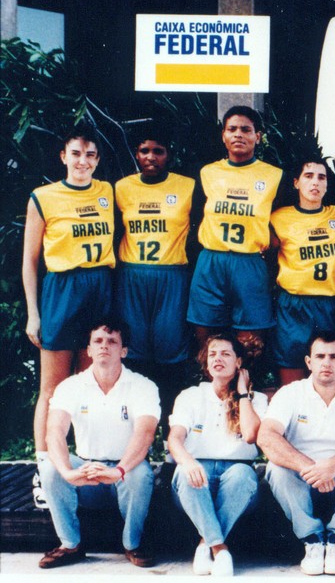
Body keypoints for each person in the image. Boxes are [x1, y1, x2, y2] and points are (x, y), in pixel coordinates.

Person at [23, 126, 115, 507]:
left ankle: (86, 462)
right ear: (63, 156)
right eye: (76, 153)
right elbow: (29, 261)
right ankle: (45, 469)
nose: (83, 161)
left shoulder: (108, 192)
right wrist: (33, 312)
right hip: (62, 289)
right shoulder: (43, 197)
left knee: (89, 385)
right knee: (53, 388)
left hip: (100, 287)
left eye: (90, 154)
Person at [257, 331, 335, 575]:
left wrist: (333, 466)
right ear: (308, 362)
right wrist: (309, 467)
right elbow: (267, 436)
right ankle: (311, 540)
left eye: (334, 357)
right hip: (302, 477)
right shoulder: (290, 393)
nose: (327, 363)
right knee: (276, 468)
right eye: (320, 356)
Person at [38, 317, 158, 569]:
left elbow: (145, 433)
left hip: (123, 473)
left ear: (123, 351)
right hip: (87, 474)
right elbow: (54, 432)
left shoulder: (143, 386)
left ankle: (132, 544)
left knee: (140, 473)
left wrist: (118, 470)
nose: (105, 346)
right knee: (50, 466)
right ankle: (70, 545)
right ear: (89, 350)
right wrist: (69, 472)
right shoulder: (70, 386)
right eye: (98, 341)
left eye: (112, 341)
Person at [187, 105, 284, 358]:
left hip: (249, 261)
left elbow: (283, 222)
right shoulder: (208, 172)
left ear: (258, 136)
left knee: (250, 342)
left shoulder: (273, 175)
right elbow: (194, 216)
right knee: (207, 339)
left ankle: (243, 392)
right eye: (232, 129)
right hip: (212, 259)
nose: (238, 134)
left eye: (246, 129)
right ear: (223, 135)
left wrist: (268, 244)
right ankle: (212, 392)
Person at [168, 333, 268, 576]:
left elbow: (251, 436)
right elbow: (175, 439)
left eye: (226, 354)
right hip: (195, 474)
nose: (218, 359)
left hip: (237, 476)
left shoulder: (258, 399)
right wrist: (188, 461)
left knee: (242, 476)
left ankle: (206, 544)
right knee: (186, 473)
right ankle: (220, 549)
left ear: (239, 362)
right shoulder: (190, 396)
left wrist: (243, 393)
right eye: (213, 354)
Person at [114, 126, 195, 416]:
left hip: (171, 275)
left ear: (168, 155)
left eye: (158, 151)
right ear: (136, 154)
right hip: (132, 275)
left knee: (170, 354)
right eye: (144, 150)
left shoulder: (187, 186)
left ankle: (169, 436)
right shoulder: (121, 187)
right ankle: (138, 430)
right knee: (134, 353)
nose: (150, 157)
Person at [269, 158, 335, 386]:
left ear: (327, 185)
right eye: (308, 176)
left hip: (330, 303)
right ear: (296, 182)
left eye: (321, 177)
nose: (315, 182)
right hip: (293, 305)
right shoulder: (279, 217)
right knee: (292, 380)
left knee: (329, 375)